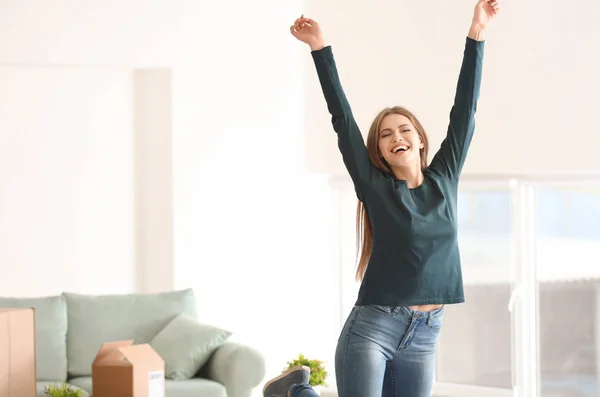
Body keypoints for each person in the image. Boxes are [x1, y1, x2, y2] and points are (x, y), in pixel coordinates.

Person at [263, 1, 500, 396]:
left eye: (404, 130)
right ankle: (294, 393)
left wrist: (477, 32)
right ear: (379, 150)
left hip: (425, 334)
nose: (396, 138)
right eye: (386, 135)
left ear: (420, 140)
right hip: (374, 326)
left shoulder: (444, 177)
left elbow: (465, 109)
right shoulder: (375, 188)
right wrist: (320, 48)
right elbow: (341, 117)